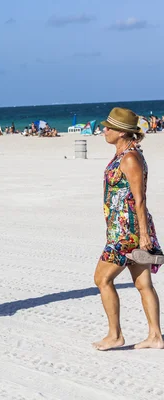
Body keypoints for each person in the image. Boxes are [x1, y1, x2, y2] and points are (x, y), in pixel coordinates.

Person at [93, 107, 164, 351]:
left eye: (109, 127)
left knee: (102, 279)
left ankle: (115, 335)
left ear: (122, 133)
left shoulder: (130, 158)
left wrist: (144, 235)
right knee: (143, 284)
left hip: (127, 232)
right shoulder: (125, 154)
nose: (105, 130)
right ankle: (155, 336)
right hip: (122, 228)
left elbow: (139, 198)